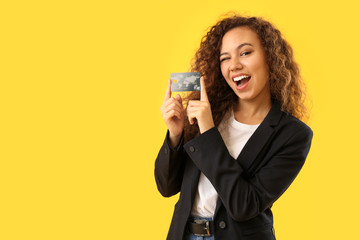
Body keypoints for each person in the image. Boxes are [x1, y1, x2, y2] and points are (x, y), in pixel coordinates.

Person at [155, 14, 313, 240]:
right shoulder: (211, 110)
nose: (234, 65)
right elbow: (166, 186)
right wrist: (175, 134)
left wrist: (209, 132)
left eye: (246, 53)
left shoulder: (293, 135)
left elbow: (243, 205)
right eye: (224, 58)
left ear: (271, 57)